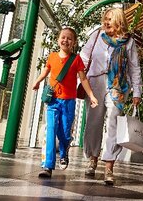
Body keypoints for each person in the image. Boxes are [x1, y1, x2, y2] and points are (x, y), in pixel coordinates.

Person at [80, 8, 142, 185]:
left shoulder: (128, 42)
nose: (106, 22)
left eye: (109, 19)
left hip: (118, 87)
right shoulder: (97, 35)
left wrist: (137, 91)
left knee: (113, 123)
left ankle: (109, 166)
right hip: (96, 82)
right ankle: (92, 158)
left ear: (119, 21)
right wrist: (77, 75)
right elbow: (84, 56)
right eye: (105, 19)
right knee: (93, 122)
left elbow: (134, 67)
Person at [32, 27, 98, 178]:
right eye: (63, 37)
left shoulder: (76, 59)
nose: (65, 40)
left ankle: (64, 151)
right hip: (53, 100)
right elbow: (45, 71)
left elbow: (83, 79)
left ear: (74, 42)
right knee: (51, 131)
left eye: (69, 38)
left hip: (68, 102)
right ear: (58, 39)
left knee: (64, 133)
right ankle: (47, 166)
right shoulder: (52, 56)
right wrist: (37, 82)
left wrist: (92, 96)